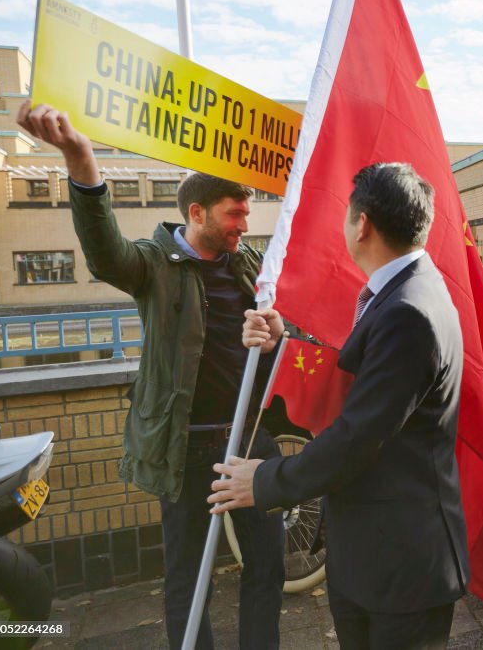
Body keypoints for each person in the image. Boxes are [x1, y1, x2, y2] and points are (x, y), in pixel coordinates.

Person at [16, 101, 284, 649]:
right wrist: (81, 162)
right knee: (190, 578)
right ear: (198, 212)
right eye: (234, 214)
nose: (244, 225)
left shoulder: (248, 264)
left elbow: (283, 328)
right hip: (184, 448)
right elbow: (104, 253)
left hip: (252, 440)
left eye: (246, 215)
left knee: (269, 566)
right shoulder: (153, 264)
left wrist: (278, 334)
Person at [207, 163, 469, 650]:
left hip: (400, 562)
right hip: (373, 550)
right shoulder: (405, 289)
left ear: (363, 223)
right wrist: (284, 344)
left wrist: (265, 479)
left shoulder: (407, 310)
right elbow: (364, 382)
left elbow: (358, 436)